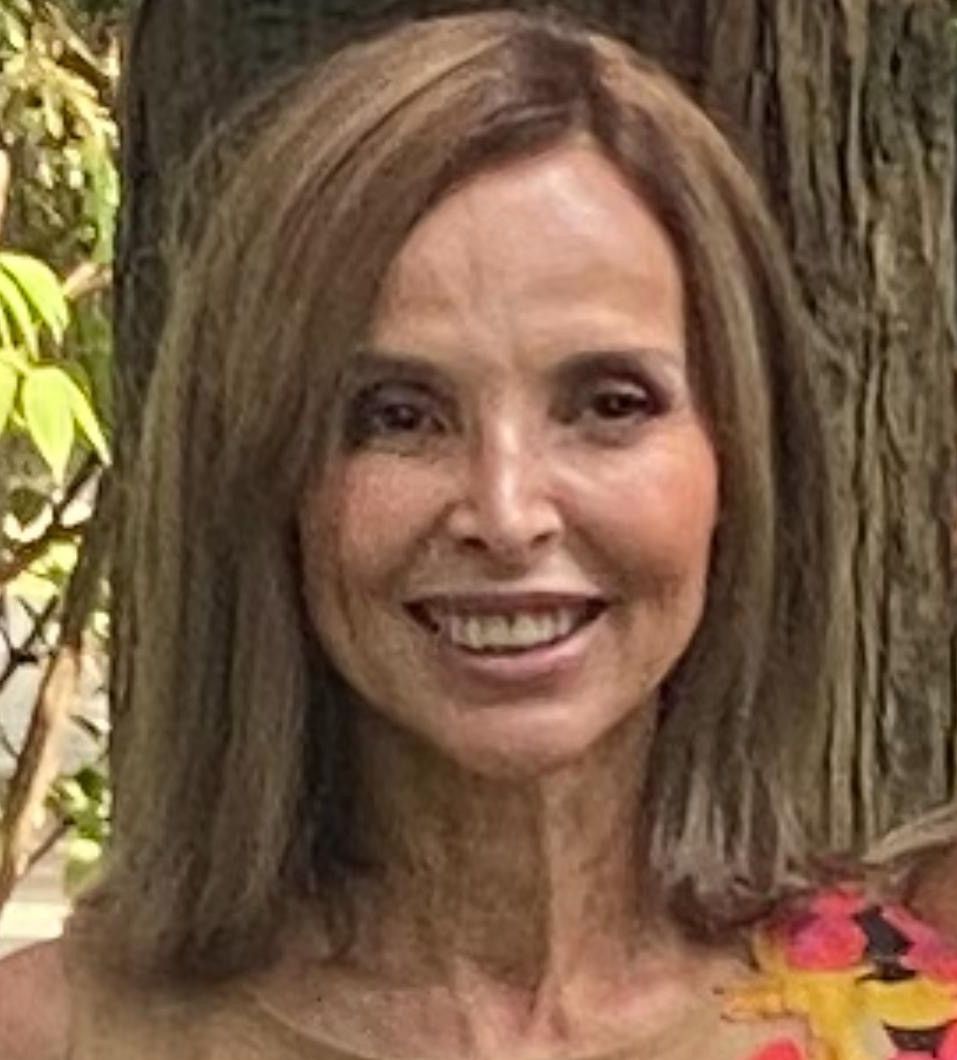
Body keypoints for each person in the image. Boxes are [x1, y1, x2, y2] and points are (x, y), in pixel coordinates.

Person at [2, 9, 955, 1059]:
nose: (506, 513)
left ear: (739, 460)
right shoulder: (49, 1034)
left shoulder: (908, 1027)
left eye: (609, 403)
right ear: (261, 477)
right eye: (398, 415)